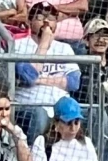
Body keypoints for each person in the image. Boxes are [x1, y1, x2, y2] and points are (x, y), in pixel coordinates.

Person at [14, 2, 82, 143]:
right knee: (39, 115)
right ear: (29, 21)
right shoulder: (17, 46)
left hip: (63, 110)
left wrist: (40, 80)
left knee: (97, 115)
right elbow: (28, 76)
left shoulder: (65, 48)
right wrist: (44, 44)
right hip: (31, 107)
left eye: (51, 18)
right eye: (40, 17)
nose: (46, 21)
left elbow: (74, 82)